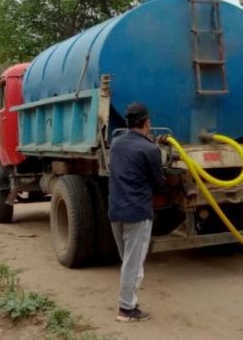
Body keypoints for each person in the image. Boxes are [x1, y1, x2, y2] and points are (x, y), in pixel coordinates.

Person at [108, 102, 165, 322]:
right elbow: (159, 183)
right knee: (133, 263)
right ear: (147, 123)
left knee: (128, 261)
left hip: (116, 210)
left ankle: (129, 301)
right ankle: (126, 309)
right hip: (137, 213)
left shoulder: (116, 143)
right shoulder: (150, 149)